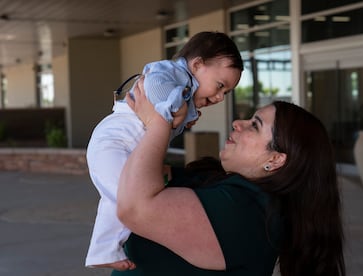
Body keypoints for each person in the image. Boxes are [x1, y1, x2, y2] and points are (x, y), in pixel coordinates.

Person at [113, 79, 346, 275]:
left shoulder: (248, 210)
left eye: (255, 125)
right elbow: (132, 176)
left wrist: (159, 122)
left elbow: (133, 208)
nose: (237, 123)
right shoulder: (217, 178)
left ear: (275, 159)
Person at [85, 31, 244, 270]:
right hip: (114, 142)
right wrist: (177, 108)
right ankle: (104, 249)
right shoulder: (171, 72)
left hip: (124, 147)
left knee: (122, 197)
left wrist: (183, 116)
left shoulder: (184, 88)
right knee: (131, 197)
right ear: (197, 64)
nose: (220, 97)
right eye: (220, 86)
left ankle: (103, 250)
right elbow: (154, 86)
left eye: (226, 93)